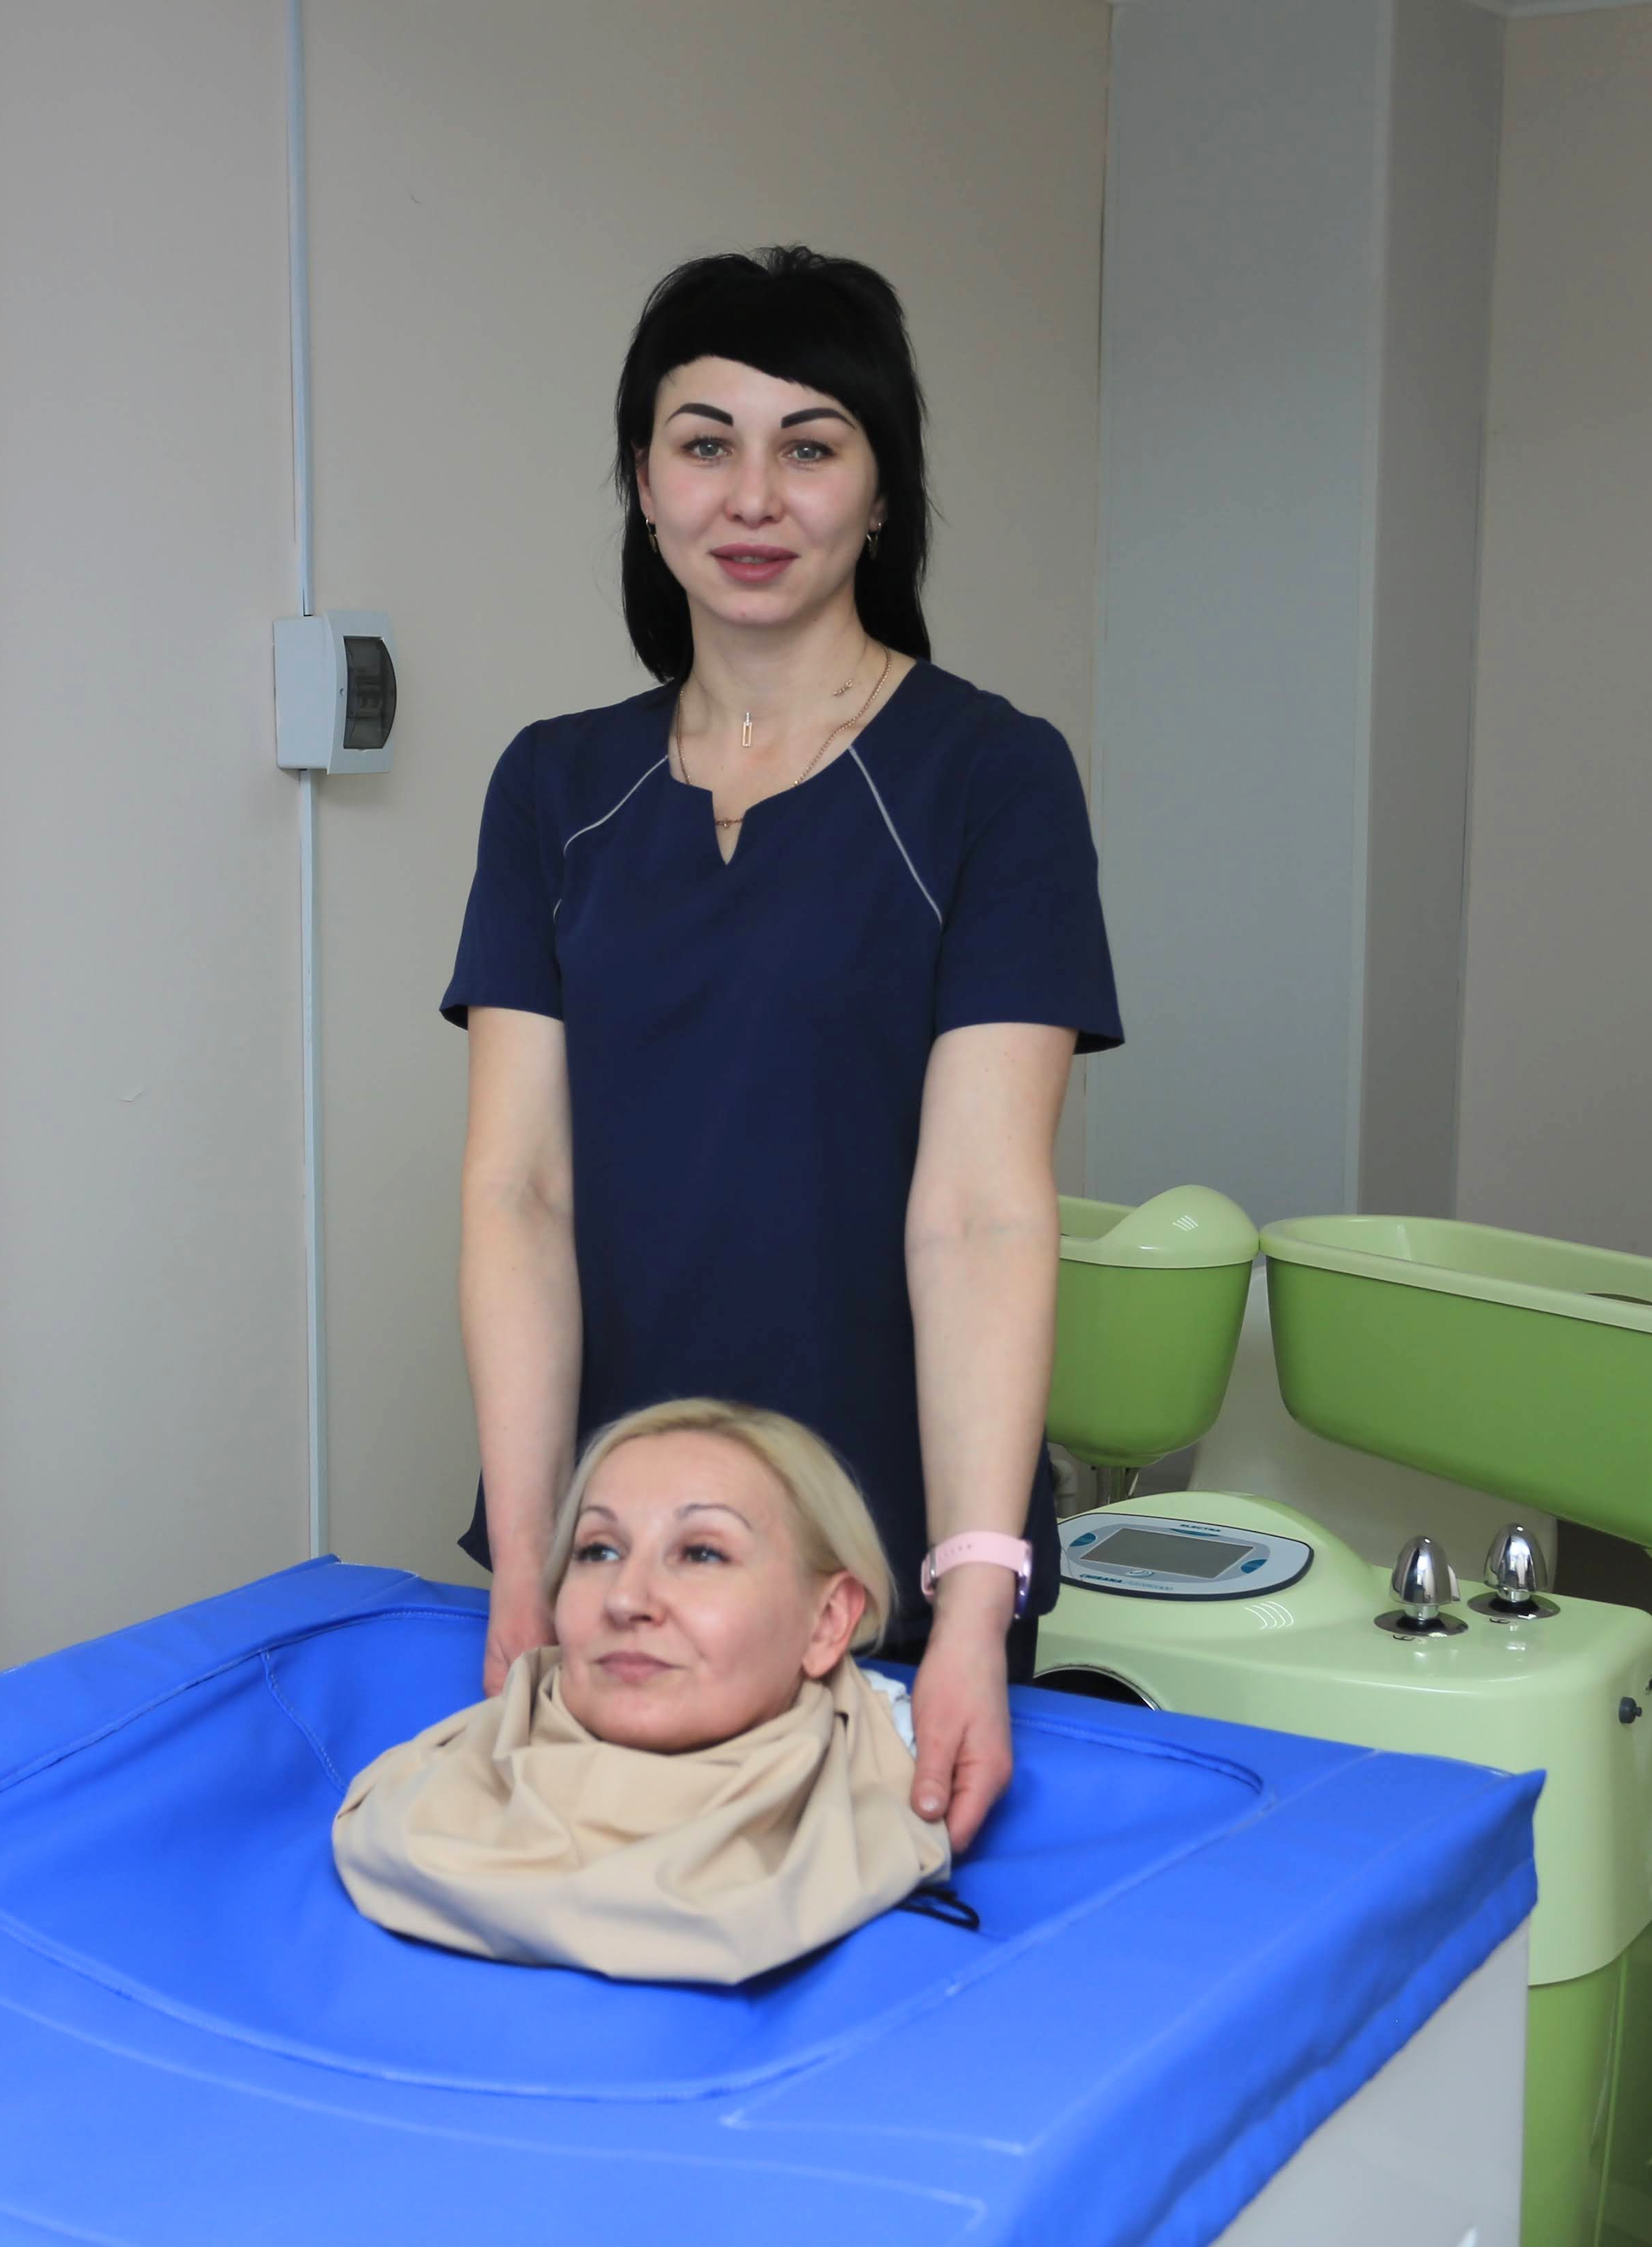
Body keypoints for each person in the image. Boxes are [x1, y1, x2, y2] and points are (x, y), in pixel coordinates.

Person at [444, 246, 1121, 1855]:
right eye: (704, 443)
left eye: (809, 445)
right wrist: (533, 1570)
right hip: (615, 1577)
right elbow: (520, 1193)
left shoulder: (990, 779)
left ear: (881, 493)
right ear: (642, 482)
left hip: (879, 1561)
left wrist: (972, 1601)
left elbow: (981, 1211)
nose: (751, 496)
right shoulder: (553, 789)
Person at [331, 1400, 945, 1983]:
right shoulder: (422, 1807)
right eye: (598, 1550)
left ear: (828, 1620)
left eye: (702, 1553)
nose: (625, 1598)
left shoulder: (898, 1788)